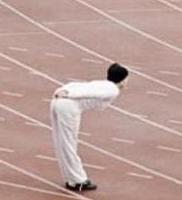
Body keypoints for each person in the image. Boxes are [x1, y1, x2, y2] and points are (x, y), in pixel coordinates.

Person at [50, 62, 129, 191]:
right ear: (122, 79)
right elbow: (87, 92)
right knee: (69, 143)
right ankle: (77, 180)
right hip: (68, 105)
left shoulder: (103, 84)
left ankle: (72, 179)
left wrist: (63, 91)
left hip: (59, 101)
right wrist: (69, 94)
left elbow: (82, 87)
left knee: (62, 142)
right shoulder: (112, 89)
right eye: (126, 78)